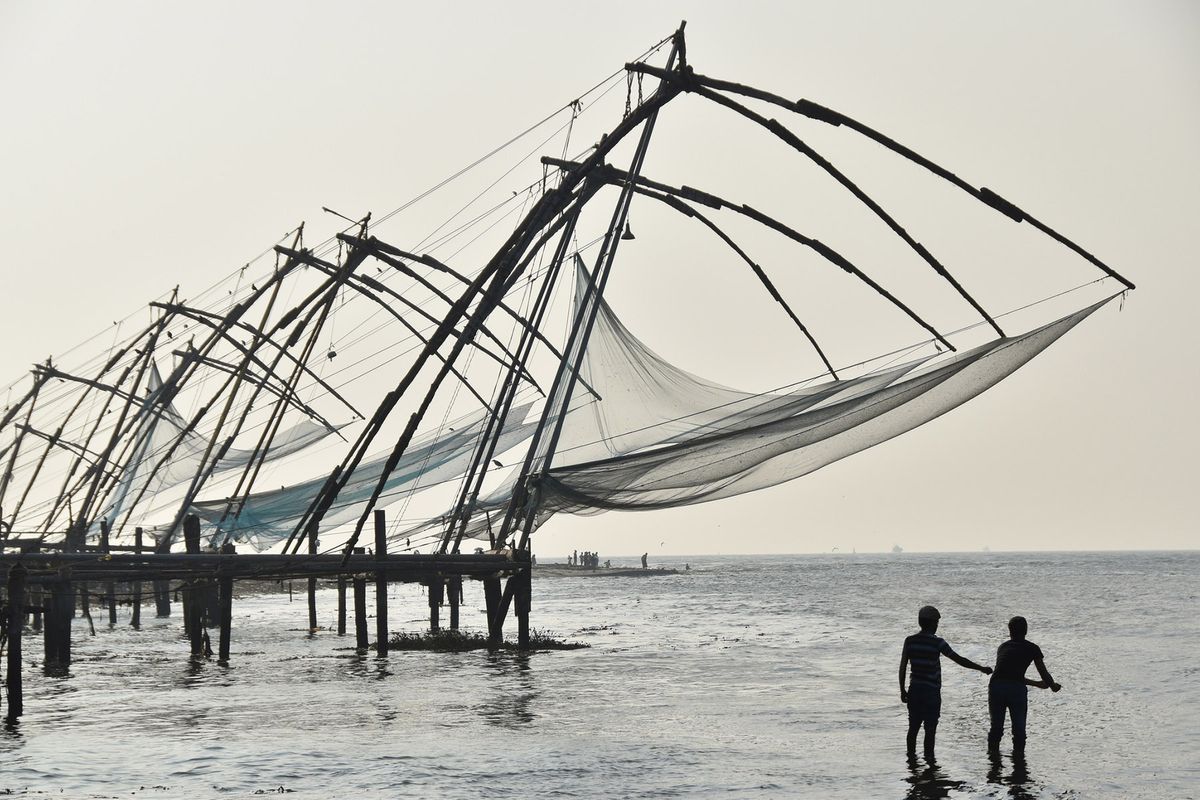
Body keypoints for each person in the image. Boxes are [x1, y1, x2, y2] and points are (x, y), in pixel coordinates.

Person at [899, 605, 992, 760]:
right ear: (932, 624)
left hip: (914, 690)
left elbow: (902, 668)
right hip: (931, 693)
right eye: (936, 623)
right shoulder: (938, 643)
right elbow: (959, 660)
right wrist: (981, 668)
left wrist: (902, 690)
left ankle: (911, 762)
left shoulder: (910, 641)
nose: (937, 626)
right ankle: (930, 763)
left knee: (913, 728)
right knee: (930, 730)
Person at [988, 616, 1061, 756]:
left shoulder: (1003, 647)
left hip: (996, 686)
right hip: (1015, 690)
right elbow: (1043, 672)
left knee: (996, 728)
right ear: (1026, 630)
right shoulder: (1032, 648)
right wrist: (1052, 686)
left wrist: (1037, 684)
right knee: (1019, 729)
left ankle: (993, 761)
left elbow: (1008, 674)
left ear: (1010, 631)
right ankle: (1019, 760)